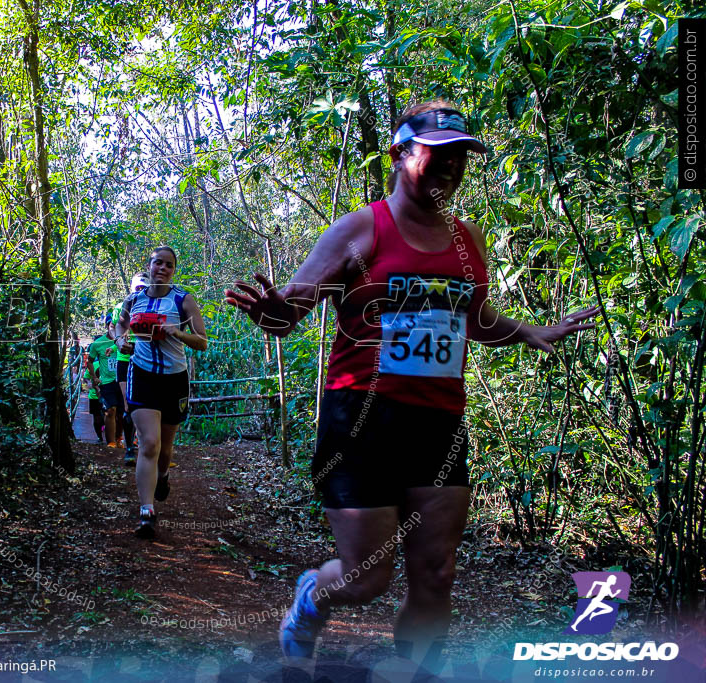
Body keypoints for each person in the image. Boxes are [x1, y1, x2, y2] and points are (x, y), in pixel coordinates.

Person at [224, 100, 599, 668]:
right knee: (365, 578)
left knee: (436, 571)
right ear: (401, 155)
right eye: (438, 155)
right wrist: (269, 311)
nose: (451, 168)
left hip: (438, 423)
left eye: (461, 158)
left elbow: (470, 319)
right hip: (361, 422)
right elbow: (290, 311)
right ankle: (310, 599)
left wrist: (530, 330)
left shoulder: (467, 239)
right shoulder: (361, 229)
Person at [116, 247, 208, 538]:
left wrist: (177, 332)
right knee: (150, 444)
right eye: (158, 263)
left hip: (174, 378)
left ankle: (164, 477)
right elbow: (119, 324)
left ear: (173, 270)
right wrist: (120, 341)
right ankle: (146, 511)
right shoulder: (134, 299)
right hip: (142, 375)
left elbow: (202, 342)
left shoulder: (183, 300)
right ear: (150, 265)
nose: (163, 268)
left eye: (169, 265)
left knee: (165, 448)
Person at [113, 273, 151, 465]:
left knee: (148, 405)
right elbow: (113, 327)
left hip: (146, 359)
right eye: (137, 287)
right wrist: (119, 341)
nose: (140, 290)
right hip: (125, 359)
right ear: (131, 287)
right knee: (128, 404)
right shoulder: (122, 307)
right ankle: (129, 448)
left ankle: (147, 445)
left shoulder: (153, 306)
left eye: (143, 287)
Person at [86, 315, 124, 448]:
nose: (113, 328)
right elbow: (89, 361)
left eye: (116, 325)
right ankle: (111, 442)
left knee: (121, 412)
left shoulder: (124, 340)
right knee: (110, 410)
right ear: (107, 326)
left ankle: (119, 438)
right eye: (111, 325)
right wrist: (94, 377)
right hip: (107, 382)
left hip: (122, 381)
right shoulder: (98, 344)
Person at [85, 356, 105, 443]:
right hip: (94, 396)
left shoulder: (111, 363)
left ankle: (111, 439)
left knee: (107, 416)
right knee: (97, 418)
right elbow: (86, 377)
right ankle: (99, 437)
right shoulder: (93, 364)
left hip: (107, 394)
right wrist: (89, 382)